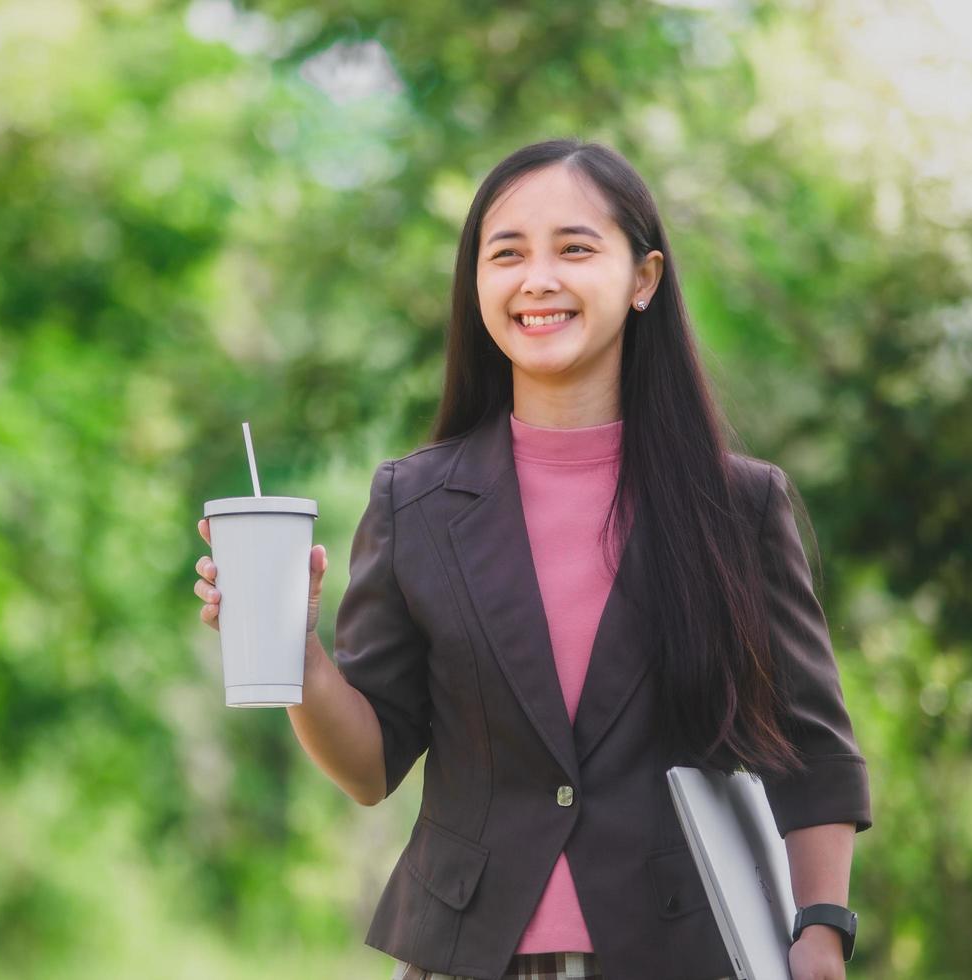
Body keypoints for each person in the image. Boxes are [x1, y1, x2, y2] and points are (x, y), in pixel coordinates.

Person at [196, 138, 872, 980]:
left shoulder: (735, 507)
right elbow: (371, 767)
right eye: (506, 253)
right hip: (467, 957)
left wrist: (822, 933)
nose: (537, 279)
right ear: (476, 285)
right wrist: (294, 647)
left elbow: (812, 747)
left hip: (681, 954)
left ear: (644, 279)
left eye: (575, 249)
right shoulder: (413, 503)